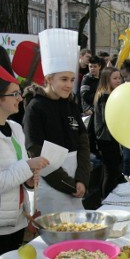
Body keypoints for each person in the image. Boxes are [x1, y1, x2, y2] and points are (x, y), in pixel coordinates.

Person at [0, 67, 48, 259]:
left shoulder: (15, 128)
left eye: (19, 93)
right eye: (14, 94)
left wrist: (30, 181)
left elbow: (18, 170)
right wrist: (28, 165)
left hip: (18, 219)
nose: (20, 98)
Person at [23, 28, 90, 214]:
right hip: (50, 186)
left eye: (72, 79)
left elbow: (83, 142)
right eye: (64, 79)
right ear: (48, 79)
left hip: (76, 183)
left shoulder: (70, 103)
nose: (69, 85)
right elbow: (36, 151)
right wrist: (70, 184)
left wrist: (82, 179)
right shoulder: (35, 108)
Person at [93, 66, 125, 198]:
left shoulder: (108, 94)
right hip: (106, 138)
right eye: (115, 78)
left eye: (119, 78)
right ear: (107, 79)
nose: (118, 81)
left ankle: (106, 196)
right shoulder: (105, 96)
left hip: (109, 137)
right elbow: (109, 118)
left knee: (110, 171)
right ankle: (106, 198)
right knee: (110, 171)